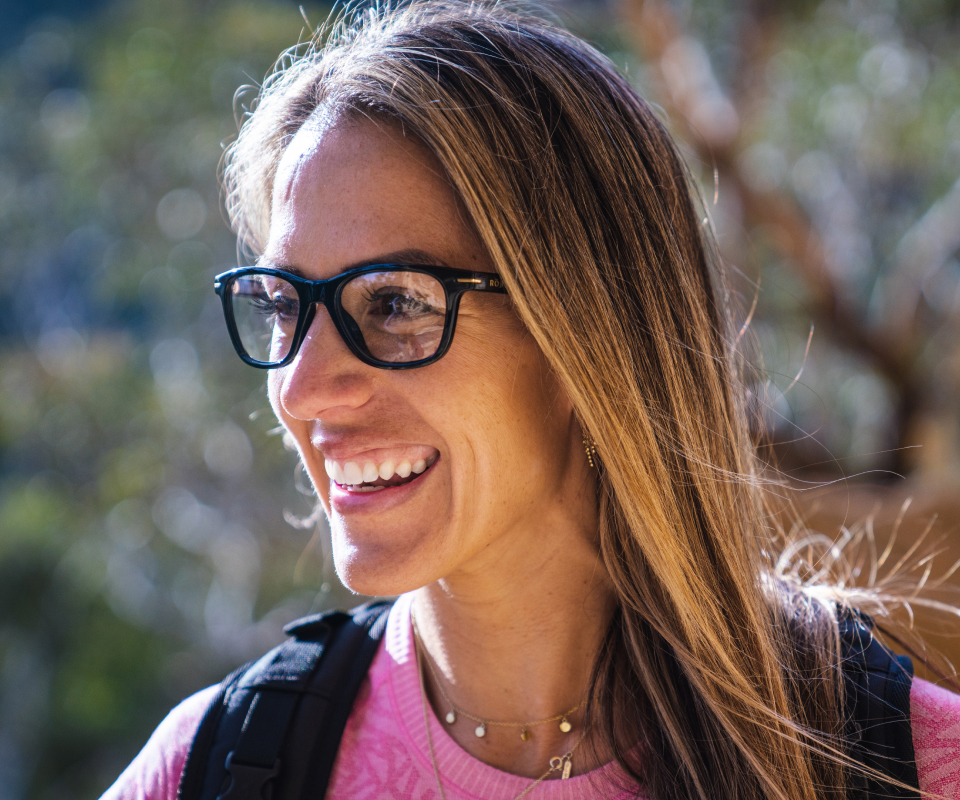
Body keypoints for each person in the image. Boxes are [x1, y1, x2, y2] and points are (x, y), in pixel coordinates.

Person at [103, 2, 960, 798]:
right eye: (285, 307)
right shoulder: (209, 770)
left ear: (587, 337)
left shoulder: (908, 764)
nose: (300, 387)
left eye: (395, 303)